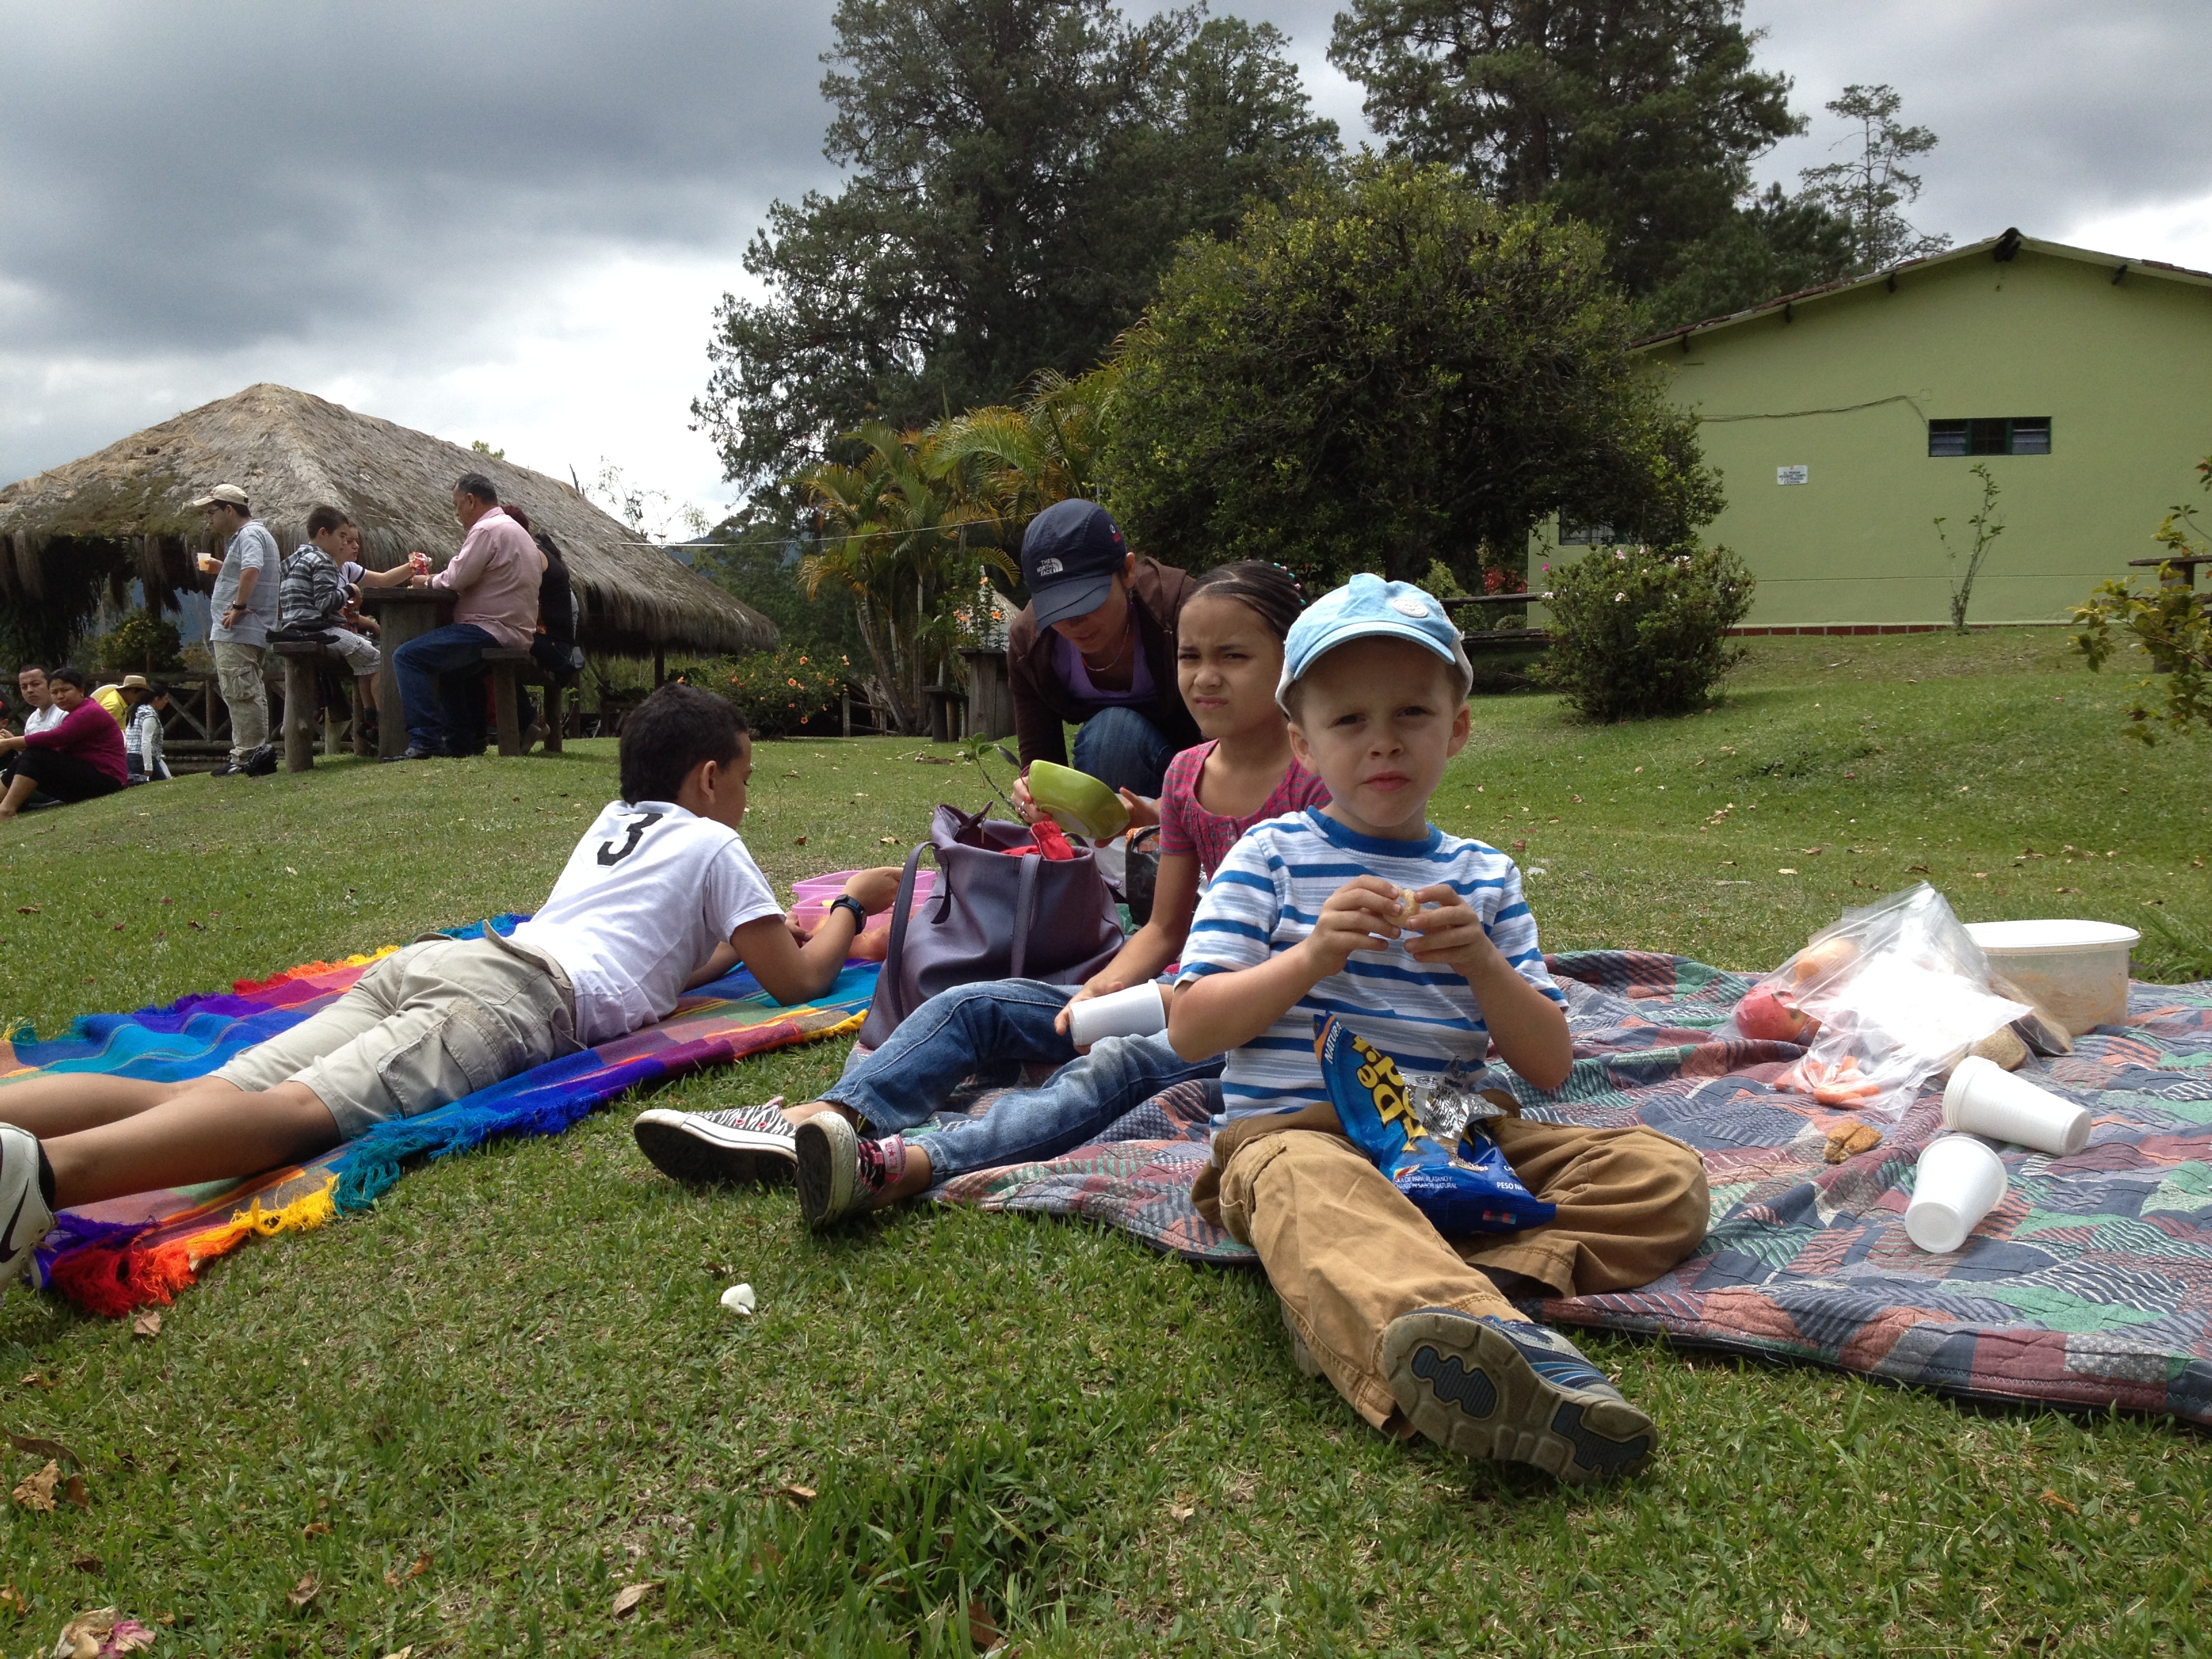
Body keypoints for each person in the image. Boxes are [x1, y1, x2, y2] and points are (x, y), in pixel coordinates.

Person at [0, 683, 902, 1289]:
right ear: (708, 778)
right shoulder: (715, 842)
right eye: (744, 781)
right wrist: (850, 904)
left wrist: (739, 944)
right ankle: (38, 1180)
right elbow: (799, 981)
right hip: (506, 1002)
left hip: (446, 962)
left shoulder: (615, 819)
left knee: (206, 1093)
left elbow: (662, 957)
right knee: (293, 1120)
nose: (745, 800)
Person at [1164, 574, 1710, 1486]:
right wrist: (1309, 959)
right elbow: (1190, 1029)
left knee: (1665, 1178)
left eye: (1412, 713)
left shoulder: (1484, 878)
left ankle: (1372, 1289)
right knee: (1306, 1187)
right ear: (1303, 743)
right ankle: (1495, 1344)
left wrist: (1484, 965)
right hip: (1300, 1134)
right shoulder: (1269, 857)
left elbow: (1549, 1063)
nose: (1383, 741)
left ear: (1456, 728)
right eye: (1349, 721)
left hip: (1453, 1137)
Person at [631, 562, 1329, 1216]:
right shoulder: (1184, 776)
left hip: (1258, 1022)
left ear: (1291, 663)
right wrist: (1103, 988)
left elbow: (1324, 958)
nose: (1205, 677)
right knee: (973, 1006)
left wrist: (1159, 1007)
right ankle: (816, 1119)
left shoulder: (1321, 783)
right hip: (1173, 993)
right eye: (1189, 656)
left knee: (1112, 1068)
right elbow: (1164, 930)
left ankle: (901, 1166)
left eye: (1233, 656)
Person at [1005, 499, 1197, 802]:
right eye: (1056, 608)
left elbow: (1235, 731)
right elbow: (1041, 761)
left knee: (1114, 736)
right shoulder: (1029, 645)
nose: (1073, 622)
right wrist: (1037, 796)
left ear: (1128, 571)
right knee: (1108, 740)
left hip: (1203, 771)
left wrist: (1177, 806)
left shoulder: (1183, 612)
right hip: (1117, 784)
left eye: (1086, 600)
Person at [389, 473, 544, 760]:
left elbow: (456, 578)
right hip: (517, 631)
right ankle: (466, 742)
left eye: (457, 505)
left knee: (407, 657)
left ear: (471, 500)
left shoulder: (486, 529)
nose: (457, 513)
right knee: (452, 671)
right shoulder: (518, 533)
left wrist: (426, 581)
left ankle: (424, 739)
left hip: (490, 628)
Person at [194, 484, 283, 778]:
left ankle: (248, 756)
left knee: (240, 690)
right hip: (251, 629)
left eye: (212, 512)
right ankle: (255, 753)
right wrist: (224, 568)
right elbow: (248, 569)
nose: (210, 518)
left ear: (229, 510)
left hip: (238, 629)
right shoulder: (257, 534)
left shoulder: (249, 534)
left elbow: (252, 570)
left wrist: (237, 606)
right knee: (247, 689)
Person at [281, 505, 384, 742]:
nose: (344, 543)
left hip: (293, 627)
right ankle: (382, 723)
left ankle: (370, 719)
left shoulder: (296, 558)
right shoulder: (323, 560)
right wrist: (350, 589)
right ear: (323, 533)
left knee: (366, 653)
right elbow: (325, 603)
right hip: (318, 630)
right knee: (378, 659)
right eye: (342, 537)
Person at [0, 667, 127, 819]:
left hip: (107, 780)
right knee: (24, 759)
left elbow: (57, 737)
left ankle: (6, 811)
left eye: (65, 690)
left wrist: (10, 742)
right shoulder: (72, 713)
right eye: (54, 693)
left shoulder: (88, 711)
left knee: (35, 756)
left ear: (80, 690)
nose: (60, 696)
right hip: (88, 776)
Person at [123, 681, 172, 785]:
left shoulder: (139, 710)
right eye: (165, 699)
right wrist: (148, 766)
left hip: (131, 755)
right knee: (163, 784)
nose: (167, 702)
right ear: (156, 699)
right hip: (140, 757)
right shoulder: (149, 715)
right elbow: (146, 741)